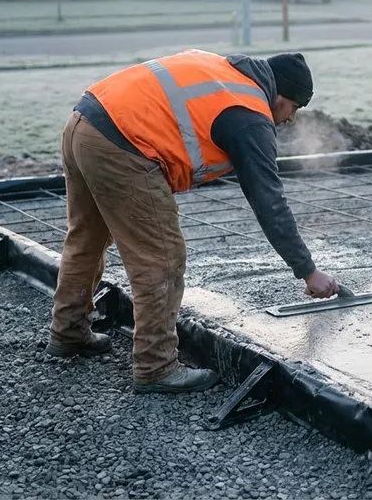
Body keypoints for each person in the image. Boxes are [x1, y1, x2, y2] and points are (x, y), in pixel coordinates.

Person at [45, 49, 340, 393]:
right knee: (162, 258)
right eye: (294, 108)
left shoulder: (227, 71)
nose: (290, 119)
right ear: (279, 96)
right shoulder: (250, 115)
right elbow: (269, 202)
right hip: (124, 146)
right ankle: (156, 367)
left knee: (87, 238)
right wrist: (308, 271)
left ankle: (67, 332)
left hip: (83, 124)